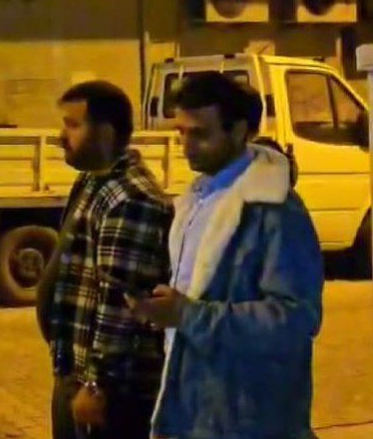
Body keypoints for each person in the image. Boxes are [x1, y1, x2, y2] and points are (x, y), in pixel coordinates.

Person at [130, 72, 324, 439]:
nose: (186, 146)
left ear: (238, 132)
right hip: (195, 412)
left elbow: (296, 320)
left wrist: (188, 315)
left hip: (250, 420)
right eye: (181, 133)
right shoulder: (196, 199)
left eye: (200, 134)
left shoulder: (274, 209)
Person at [36, 82, 172, 439]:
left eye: (73, 125)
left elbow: (121, 303)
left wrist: (98, 385)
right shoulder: (93, 182)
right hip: (75, 371)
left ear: (106, 132)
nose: (61, 136)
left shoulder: (131, 198)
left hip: (109, 395)